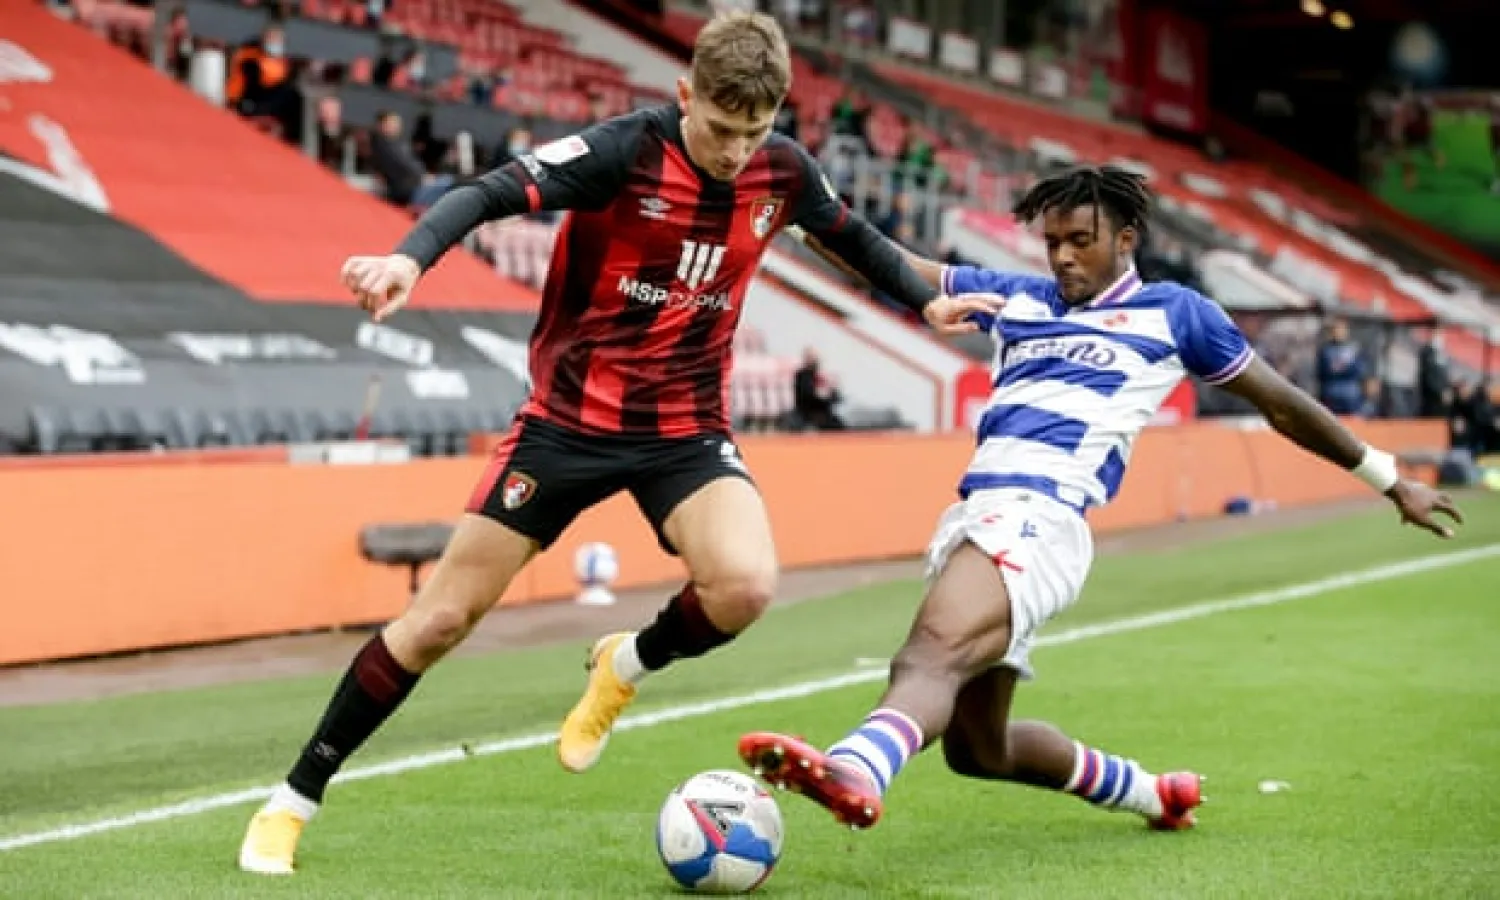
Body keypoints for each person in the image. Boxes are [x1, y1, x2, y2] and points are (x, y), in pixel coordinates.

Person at [237, 10, 988, 875]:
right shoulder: (622, 152)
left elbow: (851, 237)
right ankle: (292, 801)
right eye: (721, 127)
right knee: (439, 620)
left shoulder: (781, 170)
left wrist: (925, 299)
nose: (736, 150)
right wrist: (408, 259)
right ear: (684, 95)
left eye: (753, 131)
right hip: (567, 423)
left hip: (685, 430)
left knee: (745, 587)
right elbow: (484, 193)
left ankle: (622, 664)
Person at [737, 165, 1464, 833]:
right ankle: (1153, 793)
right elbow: (897, 267)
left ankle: (856, 768)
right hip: (982, 515)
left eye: (1079, 241)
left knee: (930, 654)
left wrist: (1388, 478)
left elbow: (1281, 403)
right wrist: (796, 217)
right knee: (979, 749)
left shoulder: (1176, 313)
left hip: (1040, 518)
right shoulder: (1017, 297)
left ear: (1125, 239)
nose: (1062, 257)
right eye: (1052, 243)